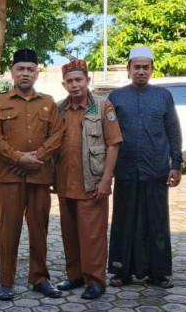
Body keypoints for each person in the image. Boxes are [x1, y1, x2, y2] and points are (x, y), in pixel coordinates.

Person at [0, 48, 65, 301]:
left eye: (30, 69)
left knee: (39, 230)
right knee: (8, 230)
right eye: (20, 69)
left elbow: (57, 134)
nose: (25, 73)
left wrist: (39, 156)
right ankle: (6, 281)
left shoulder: (48, 102)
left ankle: (39, 278)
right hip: (8, 177)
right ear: (12, 72)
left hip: (40, 177)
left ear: (37, 72)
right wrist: (19, 157)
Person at [107, 46, 183, 289]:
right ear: (129, 69)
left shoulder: (163, 96)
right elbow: (105, 134)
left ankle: (158, 273)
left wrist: (177, 164)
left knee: (157, 222)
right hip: (125, 170)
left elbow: (173, 131)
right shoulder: (116, 97)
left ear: (151, 69)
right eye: (136, 67)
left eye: (145, 67)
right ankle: (121, 270)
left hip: (156, 170)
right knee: (123, 221)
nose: (141, 71)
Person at [54, 58, 122, 299]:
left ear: (87, 81)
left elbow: (113, 145)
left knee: (92, 235)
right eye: (70, 81)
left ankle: (95, 280)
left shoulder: (102, 107)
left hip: (92, 182)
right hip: (64, 183)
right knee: (69, 233)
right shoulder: (59, 109)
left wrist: (106, 179)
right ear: (64, 85)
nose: (75, 85)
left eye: (78, 80)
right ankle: (75, 276)